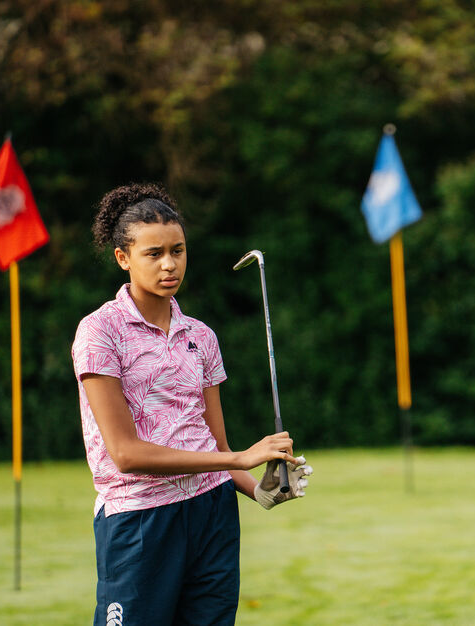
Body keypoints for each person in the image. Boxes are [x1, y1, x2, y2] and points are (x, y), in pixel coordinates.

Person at [72, 183, 313, 625]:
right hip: (140, 517)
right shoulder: (99, 332)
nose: (169, 264)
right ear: (123, 258)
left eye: (178, 250)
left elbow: (214, 444)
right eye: (154, 253)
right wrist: (239, 457)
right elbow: (125, 454)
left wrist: (258, 488)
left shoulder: (200, 336)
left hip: (211, 512)